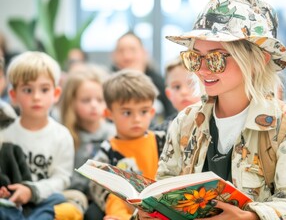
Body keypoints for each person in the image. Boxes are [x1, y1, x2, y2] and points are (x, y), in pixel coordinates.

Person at [137, 0, 286, 220]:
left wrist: (251, 218)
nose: (202, 69)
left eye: (216, 58)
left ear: (256, 61)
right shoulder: (185, 122)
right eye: (194, 57)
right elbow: (163, 189)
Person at [0, 51, 79, 219]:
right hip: (10, 202)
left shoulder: (62, 136)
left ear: (56, 94)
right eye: (28, 90)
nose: (36, 97)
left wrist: (32, 191)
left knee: (60, 202)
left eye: (44, 89)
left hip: (44, 201)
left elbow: (61, 179)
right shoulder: (5, 134)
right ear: (13, 95)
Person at [85, 69, 166, 220]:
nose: (137, 119)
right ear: (109, 114)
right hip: (123, 212)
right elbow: (101, 191)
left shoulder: (162, 141)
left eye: (143, 111)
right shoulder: (107, 150)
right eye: (127, 113)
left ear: (152, 112)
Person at [59, 65, 116, 197]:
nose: (94, 105)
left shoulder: (114, 133)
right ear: (71, 102)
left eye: (100, 100)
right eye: (86, 100)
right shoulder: (65, 136)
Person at [111, 31, 176, 123]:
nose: (127, 56)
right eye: (121, 51)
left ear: (144, 53)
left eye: (132, 50)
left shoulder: (160, 82)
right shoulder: (107, 85)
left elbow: (172, 113)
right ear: (114, 56)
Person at [152, 57, 200, 132]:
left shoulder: (215, 125)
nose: (184, 92)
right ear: (168, 94)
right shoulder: (160, 133)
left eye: (191, 84)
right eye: (177, 87)